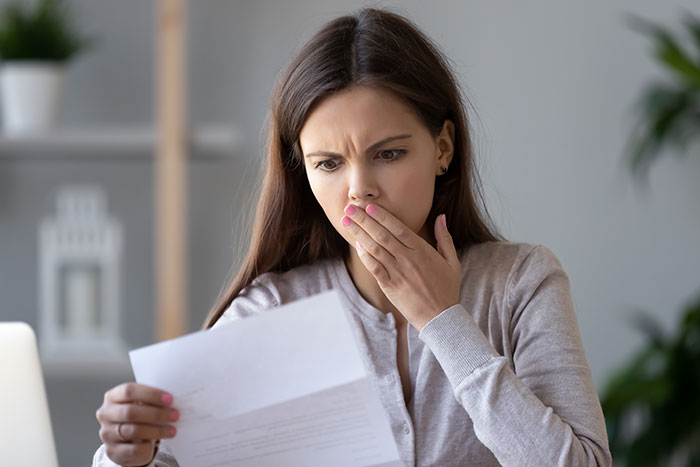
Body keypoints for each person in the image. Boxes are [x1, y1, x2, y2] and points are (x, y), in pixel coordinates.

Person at [92, 7, 612, 467]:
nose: (359, 190)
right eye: (329, 164)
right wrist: (128, 455)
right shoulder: (272, 308)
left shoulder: (521, 284)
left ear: (443, 148)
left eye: (388, 154)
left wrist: (445, 324)